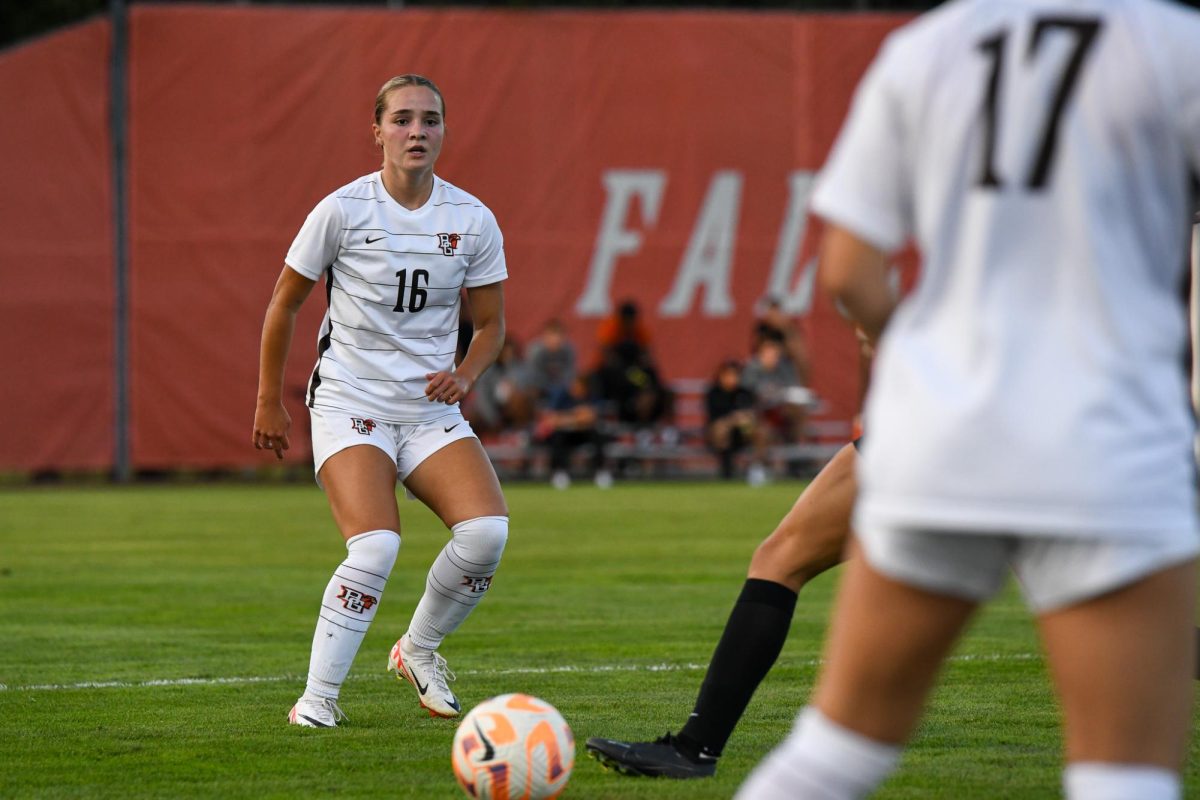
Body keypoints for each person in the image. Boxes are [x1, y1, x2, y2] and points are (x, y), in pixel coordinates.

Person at [738, 2, 1200, 798]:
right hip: (1104, 439)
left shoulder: (927, 48)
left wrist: (913, 348)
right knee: (1122, 777)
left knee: (834, 754)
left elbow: (847, 272)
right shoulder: (1172, 46)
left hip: (944, 437)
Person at [253, 74, 510, 728]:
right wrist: (268, 400)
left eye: (429, 120)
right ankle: (317, 701)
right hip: (348, 402)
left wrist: (468, 374)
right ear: (377, 131)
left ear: (445, 131)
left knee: (486, 535)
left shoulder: (472, 219)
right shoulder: (341, 210)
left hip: (428, 413)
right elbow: (284, 303)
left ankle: (418, 649)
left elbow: (491, 326)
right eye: (402, 120)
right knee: (375, 548)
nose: (416, 131)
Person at [534, 373, 612, 489]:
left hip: (584, 433)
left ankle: (601, 472)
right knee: (557, 437)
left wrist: (566, 418)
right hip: (567, 434)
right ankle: (560, 473)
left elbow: (590, 417)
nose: (574, 388)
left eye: (578, 386)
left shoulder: (591, 396)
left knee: (598, 436)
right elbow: (551, 419)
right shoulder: (563, 396)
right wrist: (576, 417)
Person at [703, 359, 766, 482]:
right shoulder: (714, 394)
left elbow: (751, 414)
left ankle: (756, 468)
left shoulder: (744, 394)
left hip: (742, 433)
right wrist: (733, 419)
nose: (731, 379)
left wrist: (744, 420)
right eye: (728, 375)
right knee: (721, 429)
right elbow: (714, 420)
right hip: (720, 434)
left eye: (734, 375)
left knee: (759, 431)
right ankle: (727, 469)